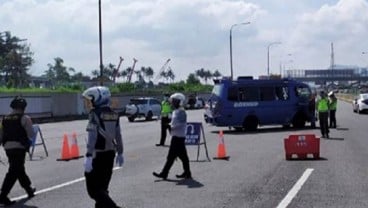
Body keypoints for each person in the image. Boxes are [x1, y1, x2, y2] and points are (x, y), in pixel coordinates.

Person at [82, 86, 124, 208]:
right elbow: (118, 135)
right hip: (110, 154)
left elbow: (92, 136)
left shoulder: (94, 115)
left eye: (91, 99)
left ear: (98, 99)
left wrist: (89, 156)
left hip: (97, 155)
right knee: (103, 188)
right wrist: (120, 152)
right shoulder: (114, 114)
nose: (89, 102)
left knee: (94, 190)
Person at [0, 96, 36, 206]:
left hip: (7, 148)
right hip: (19, 147)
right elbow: (31, 134)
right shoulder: (25, 118)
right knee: (14, 171)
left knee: (18, 168)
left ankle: (29, 189)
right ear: (23, 107)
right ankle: (2, 196)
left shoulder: (4, 118)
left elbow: (1, 135)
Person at [153, 93, 192, 180]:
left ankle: (165, 173)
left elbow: (180, 124)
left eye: (174, 101)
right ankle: (187, 173)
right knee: (181, 157)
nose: (172, 103)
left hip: (178, 137)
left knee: (172, 157)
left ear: (179, 102)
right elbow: (175, 123)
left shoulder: (181, 112)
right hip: (177, 136)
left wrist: (170, 126)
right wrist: (170, 125)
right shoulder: (176, 111)